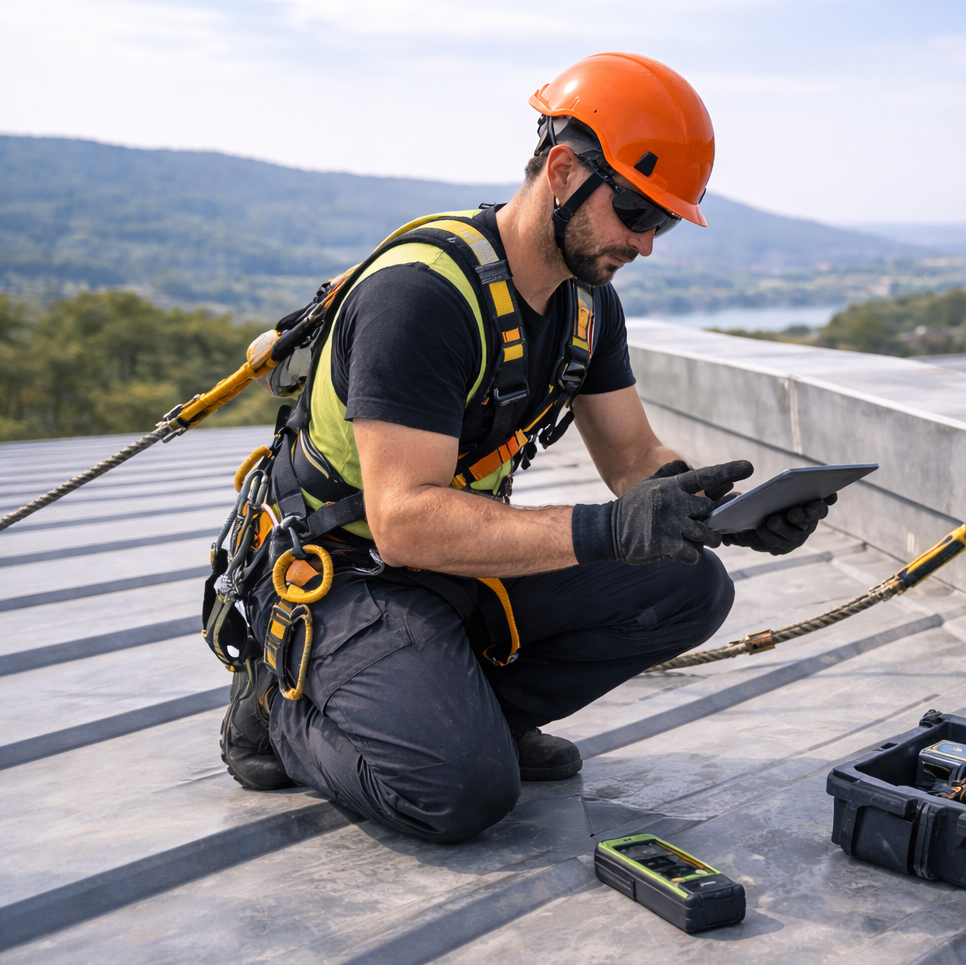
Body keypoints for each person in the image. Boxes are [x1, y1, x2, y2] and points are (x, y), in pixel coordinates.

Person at [218, 53, 836, 844]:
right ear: (563, 170)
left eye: (664, 222)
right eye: (636, 211)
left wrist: (724, 515)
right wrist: (607, 530)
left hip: (456, 564)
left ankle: (474, 716)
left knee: (690, 586)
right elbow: (402, 523)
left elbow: (633, 457)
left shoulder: (587, 305)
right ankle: (279, 705)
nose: (646, 244)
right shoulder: (422, 298)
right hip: (349, 571)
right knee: (459, 794)